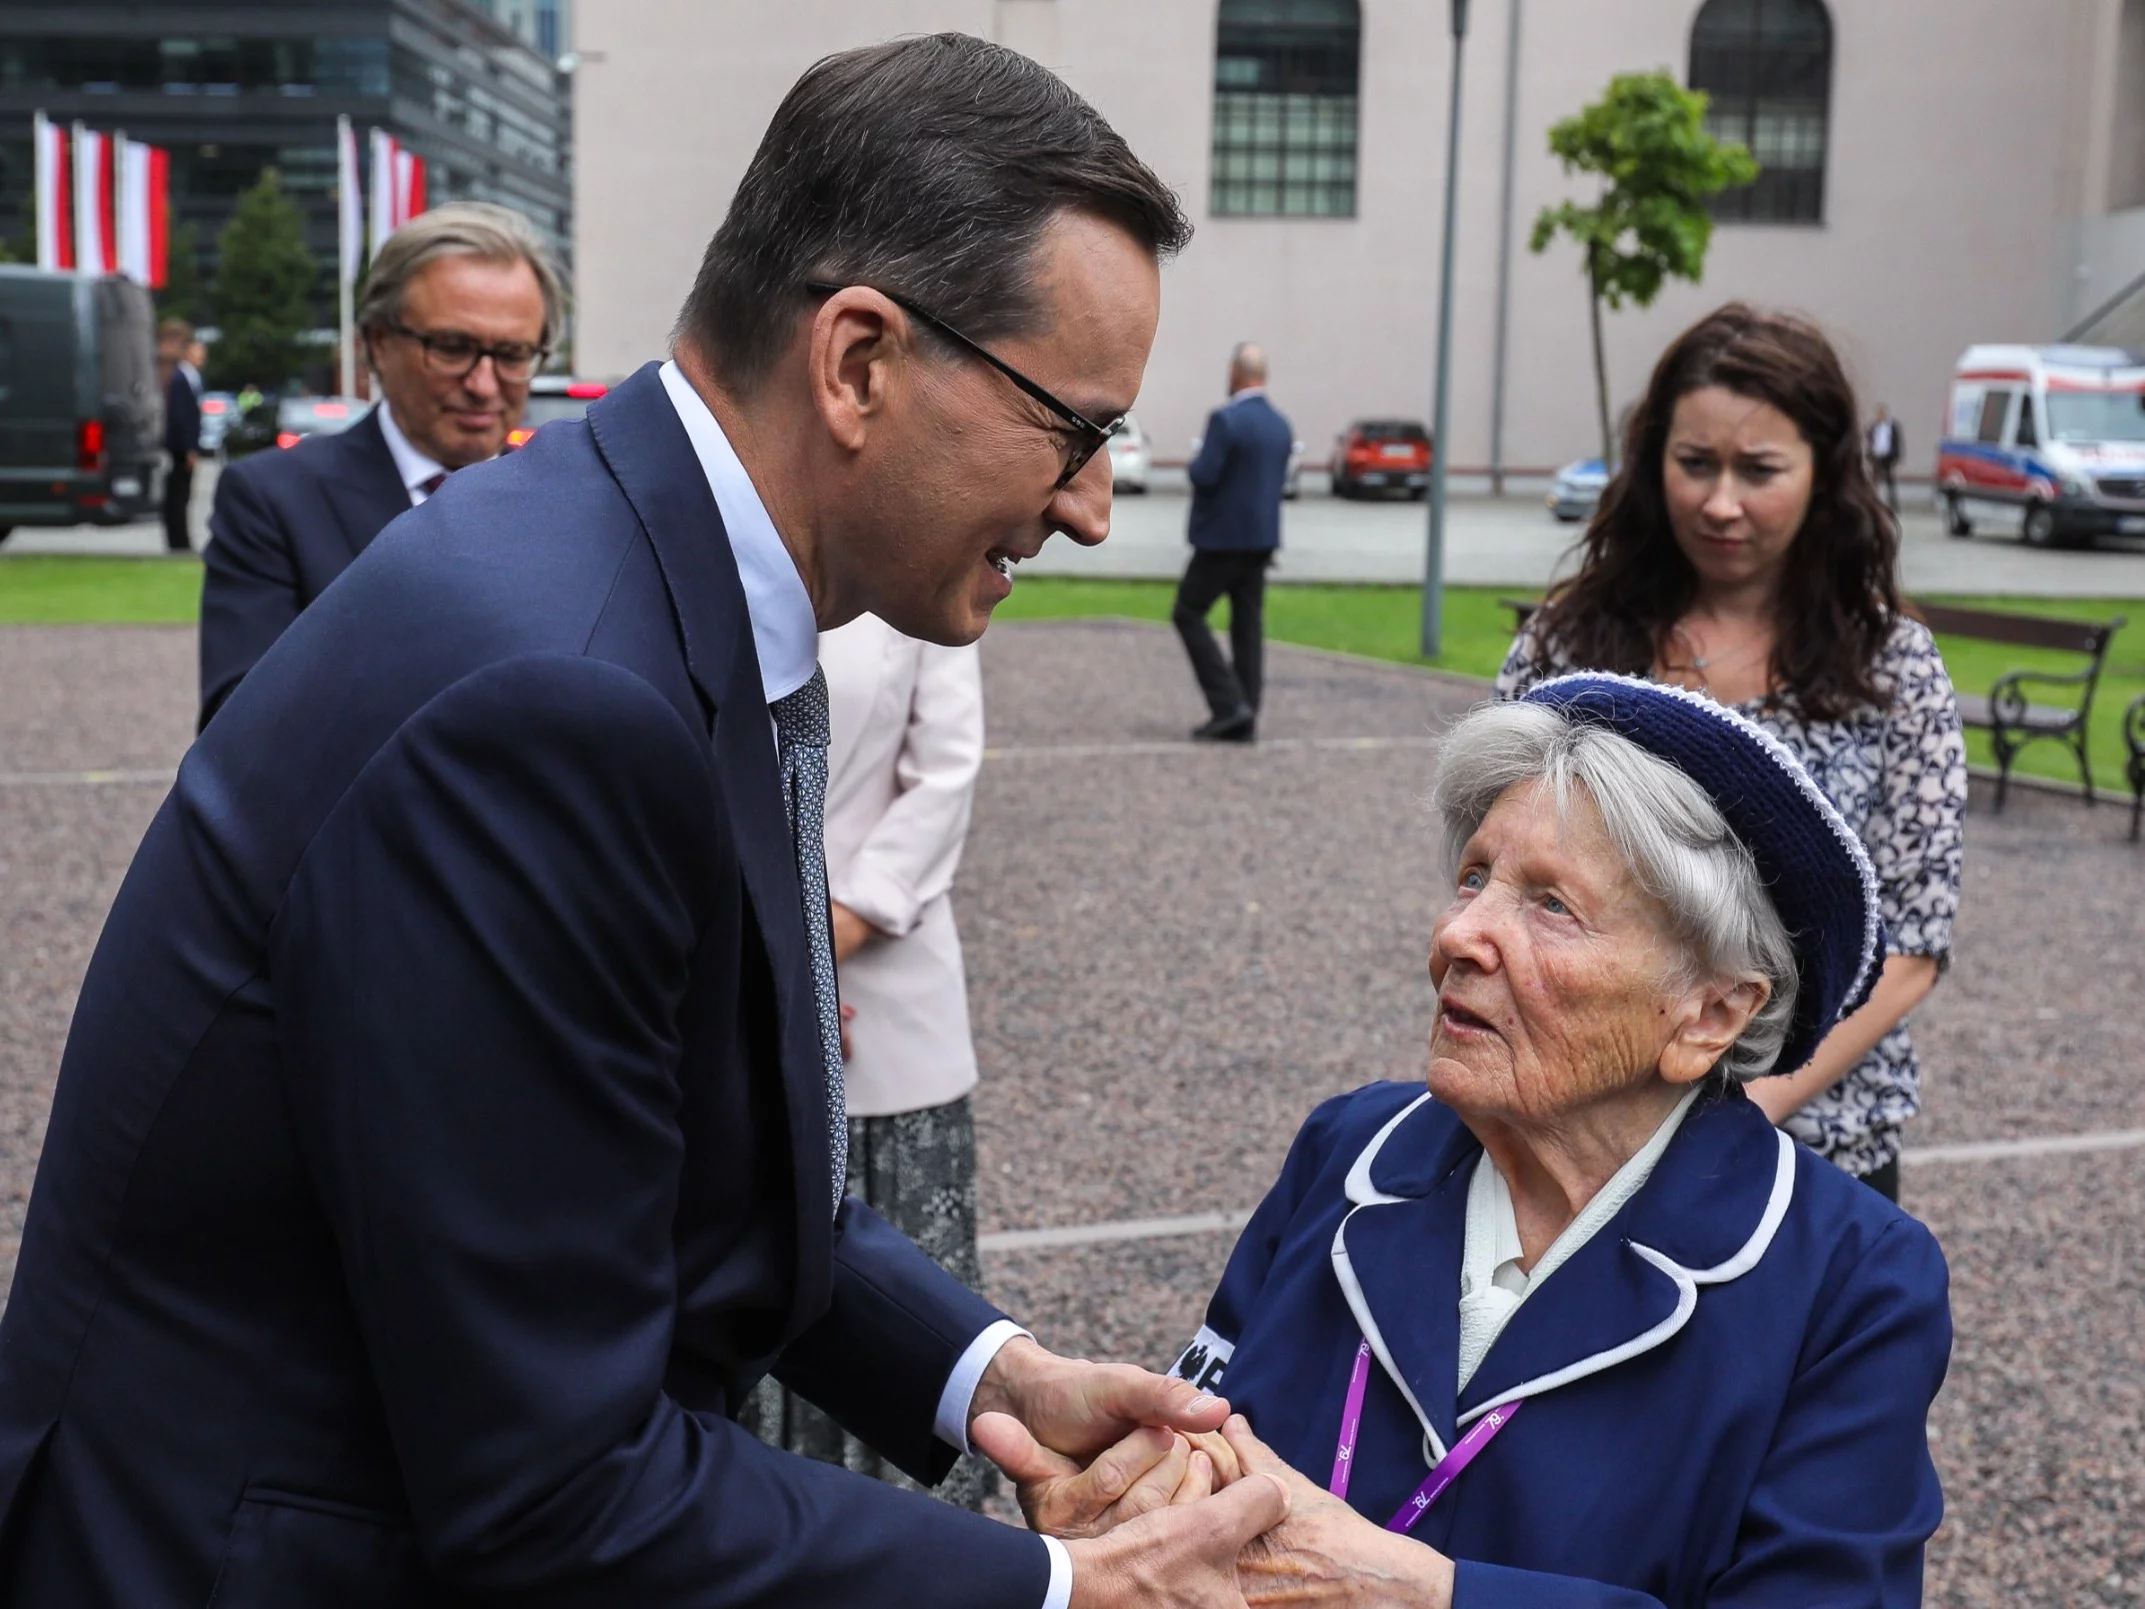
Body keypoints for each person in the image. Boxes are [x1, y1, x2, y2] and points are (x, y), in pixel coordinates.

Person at [0, 35, 1291, 1609]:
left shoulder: (635, 576)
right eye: (1072, 429)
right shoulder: (558, 697)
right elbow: (556, 1490)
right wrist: (1081, 1591)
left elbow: (687, 1164)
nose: (1092, 504)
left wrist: (992, 1378)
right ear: (860, 361)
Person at [1025, 679, 1949, 1605]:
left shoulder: (1848, 1280)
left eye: (1550, 904)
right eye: (1474, 877)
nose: (1459, 933)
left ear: (1709, 1014)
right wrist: (1131, 1510)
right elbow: (1207, 1448)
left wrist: (1430, 1596)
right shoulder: (1350, 1147)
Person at [1497, 304, 1965, 1201]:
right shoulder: (1567, 647)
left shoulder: (1891, 665)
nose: (1719, 502)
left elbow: (1910, 943)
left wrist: (1740, 1111)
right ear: (1650, 461)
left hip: (1812, 1152)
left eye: (1758, 471)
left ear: (1825, 475)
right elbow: (1501, 879)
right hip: (1580, 1134)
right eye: (1693, 463)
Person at [746, 612, 996, 1509]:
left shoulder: (924, 578)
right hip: (731, 976)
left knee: (902, 1308)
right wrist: (772, 961)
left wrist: (816, 943)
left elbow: (942, 777)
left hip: (890, 998)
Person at [196, 201, 562, 729]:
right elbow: (241, 728)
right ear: (377, 344)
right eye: (453, 348)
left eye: (511, 355)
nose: (484, 385)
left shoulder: (568, 507)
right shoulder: (274, 501)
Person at [1173, 343, 1293, 742]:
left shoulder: (1225, 420)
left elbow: (1205, 475)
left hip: (1221, 540)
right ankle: (1246, 714)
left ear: (1234, 373)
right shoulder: (1281, 424)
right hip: (1262, 541)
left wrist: (1195, 462)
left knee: (1188, 612)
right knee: (1247, 627)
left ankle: (1228, 705)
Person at [159, 317, 203, 553]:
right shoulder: (180, 377)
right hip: (179, 448)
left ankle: (181, 539)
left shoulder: (189, 376)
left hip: (184, 447)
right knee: (177, 496)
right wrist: (190, 448)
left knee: (183, 495)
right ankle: (178, 541)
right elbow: (181, 416)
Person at [1868, 402, 1903, 510]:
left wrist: (1897, 456)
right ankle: (1872, 502)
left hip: (1888, 457)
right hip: (1876, 456)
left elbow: (1897, 442)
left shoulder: (1892, 426)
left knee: (1890, 481)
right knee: (1874, 481)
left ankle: (1893, 504)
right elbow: (1870, 441)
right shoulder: (1874, 426)